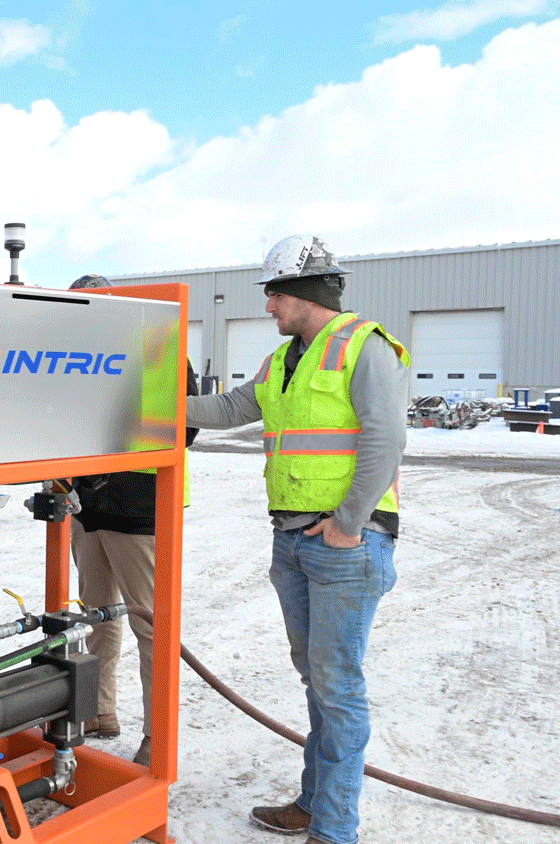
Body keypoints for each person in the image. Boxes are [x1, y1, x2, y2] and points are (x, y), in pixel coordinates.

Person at [185, 236, 409, 844]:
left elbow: (385, 440)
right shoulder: (287, 358)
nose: (268, 308)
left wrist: (348, 523)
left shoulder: (366, 349)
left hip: (345, 545)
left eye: (274, 295)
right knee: (317, 678)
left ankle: (334, 829)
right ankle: (314, 805)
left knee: (336, 684)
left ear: (303, 295)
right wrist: (160, 408)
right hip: (293, 540)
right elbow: (235, 407)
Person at [66, 273, 197, 768]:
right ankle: (99, 713)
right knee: (96, 616)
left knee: (151, 627)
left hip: (141, 505)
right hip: (88, 507)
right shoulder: (78, 358)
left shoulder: (159, 347)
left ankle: (155, 736)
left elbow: (185, 428)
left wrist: (113, 444)